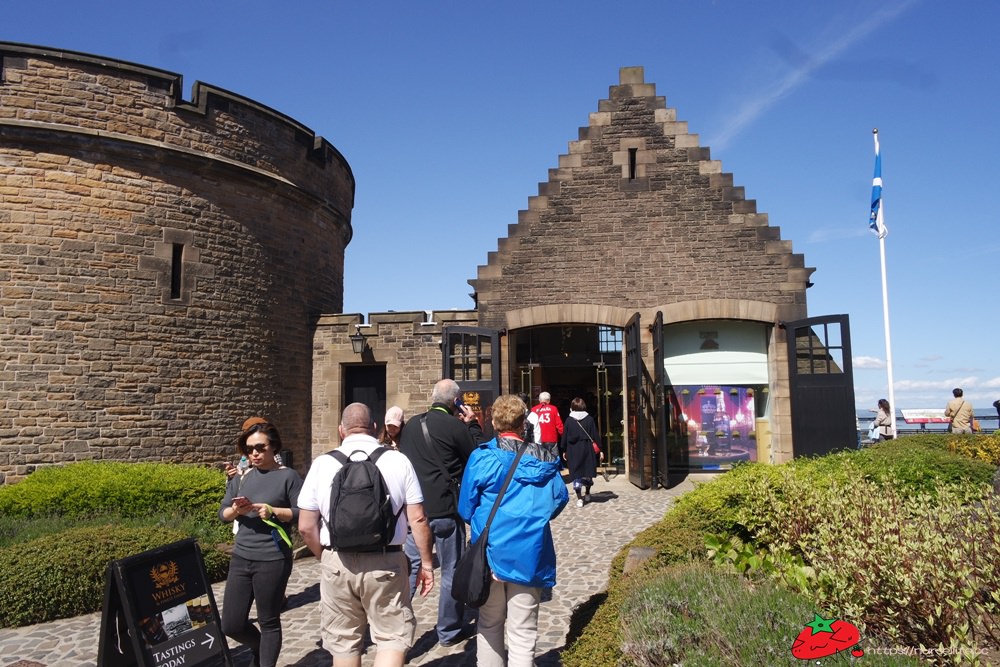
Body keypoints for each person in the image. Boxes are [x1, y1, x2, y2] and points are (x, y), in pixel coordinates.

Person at [297, 403, 435, 667]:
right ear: (375, 428)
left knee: (344, 644)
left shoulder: (322, 463)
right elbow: (418, 518)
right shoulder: (398, 460)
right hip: (386, 561)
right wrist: (426, 564)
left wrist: (324, 557)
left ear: (341, 430)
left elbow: (305, 526)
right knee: (391, 639)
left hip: (338, 560)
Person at [458, 394, 569, 667]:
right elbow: (559, 498)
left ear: (494, 422)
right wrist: (534, 518)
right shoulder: (544, 460)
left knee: (489, 623)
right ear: (523, 423)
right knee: (523, 630)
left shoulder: (482, 458)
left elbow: (465, 507)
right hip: (529, 551)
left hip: (491, 551)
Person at [397, 378, 484, 647]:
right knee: (450, 570)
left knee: (412, 568)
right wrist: (472, 425)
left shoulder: (411, 426)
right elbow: (476, 458)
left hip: (416, 511)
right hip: (446, 509)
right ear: (455, 401)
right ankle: (448, 630)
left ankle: (396, 628)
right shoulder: (455, 426)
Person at [219, 418, 303, 667]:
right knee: (231, 624)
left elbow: (302, 512)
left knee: (268, 621)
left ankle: (265, 660)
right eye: (249, 448)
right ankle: (259, 648)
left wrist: (274, 510)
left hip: (273, 558)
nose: (254, 453)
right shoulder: (242, 478)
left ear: (273, 447)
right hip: (242, 557)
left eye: (260, 447)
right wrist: (235, 511)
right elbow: (222, 514)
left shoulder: (288, 476)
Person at [562, 397, 601, 507]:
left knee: (576, 474)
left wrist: (564, 449)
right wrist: (600, 448)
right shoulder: (589, 419)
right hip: (587, 448)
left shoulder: (569, 420)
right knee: (587, 472)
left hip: (573, 449)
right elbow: (595, 435)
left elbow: (565, 436)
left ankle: (579, 498)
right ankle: (587, 492)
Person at [529, 391, 564, 463]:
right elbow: (559, 424)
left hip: (538, 439)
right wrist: (563, 435)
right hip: (551, 438)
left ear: (539, 400)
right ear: (549, 400)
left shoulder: (534, 409)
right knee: (554, 459)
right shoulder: (553, 409)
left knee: (540, 459)